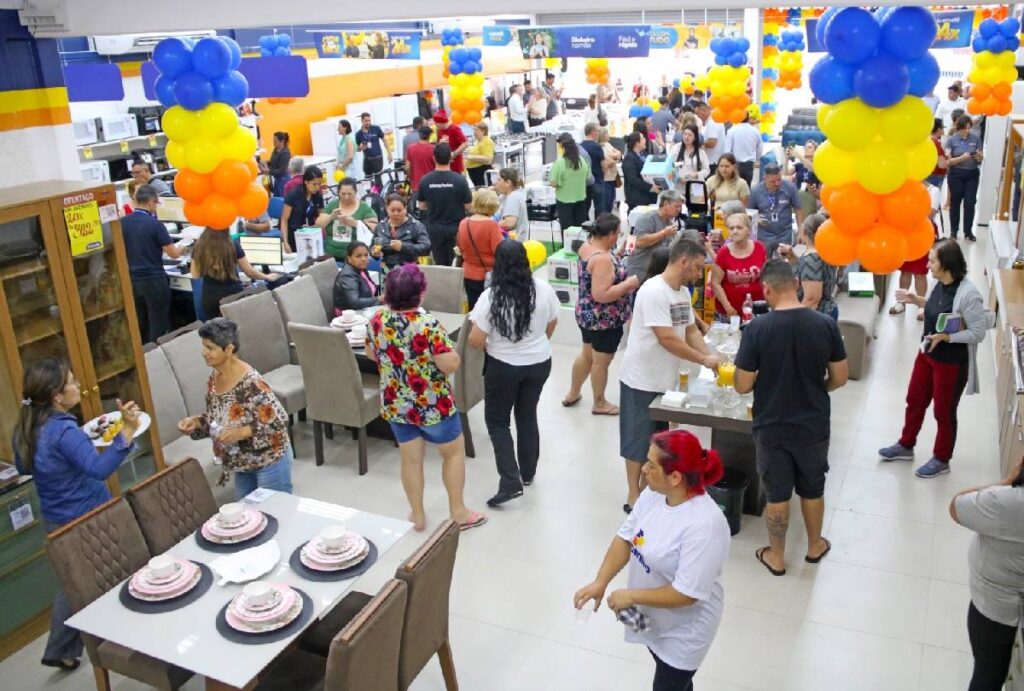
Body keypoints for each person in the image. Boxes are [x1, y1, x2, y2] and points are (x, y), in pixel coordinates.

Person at [574, 429, 729, 691]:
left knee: (669, 684)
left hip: (685, 631)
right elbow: (625, 538)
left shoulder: (704, 525)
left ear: (676, 477)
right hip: (654, 616)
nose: (643, 469)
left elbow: (687, 593)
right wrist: (600, 581)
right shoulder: (654, 495)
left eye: (651, 465)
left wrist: (632, 596)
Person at [13, 359, 142, 672]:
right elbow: (98, 469)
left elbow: (23, 468)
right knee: (116, 569)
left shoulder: (26, 428)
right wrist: (126, 429)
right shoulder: (63, 432)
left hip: (57, 518)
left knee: (75, 583)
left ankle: (61, 647)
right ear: (57, 396)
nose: (78, 385)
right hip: (87, 516)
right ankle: (128, 635)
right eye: (71, 381)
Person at [734, 260, 848, 576]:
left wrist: (764, 380)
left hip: (771, 425)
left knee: (778, 492)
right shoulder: (825, 324)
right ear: (796, 283)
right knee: (813, 486)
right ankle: (814, 546)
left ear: (766, 289)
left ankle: (777, 556)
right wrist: (817, 387)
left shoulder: (756, 329)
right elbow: (840, 376)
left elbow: (742, 385)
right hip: (813, 423)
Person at [366, 264, 487, 532]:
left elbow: (372, 354)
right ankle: (458, 511)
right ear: (420, 294)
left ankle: (418, 514)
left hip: (397, 402)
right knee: (453, 454)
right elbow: (449, 364)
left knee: (410, 459)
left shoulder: (376, 320)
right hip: (433, 405)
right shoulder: (427, 325)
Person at [619, 238, 718, 511]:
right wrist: (702, 358)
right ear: (683, 261)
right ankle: (632, 494)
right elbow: (666, 338)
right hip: (641, 377)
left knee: (658, 439)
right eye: (697, 267)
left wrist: (712, 358)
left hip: (666, 379)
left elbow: (690, 331)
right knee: (636, 439)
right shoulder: (654, 291)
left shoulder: (682, 293)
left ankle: (648, 487)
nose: (699, 274)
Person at [878, 240, 989, 478]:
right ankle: (906, 445)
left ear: (946, 265)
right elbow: (938, 309)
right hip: (926, 353)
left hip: (951, 363)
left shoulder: (969, 294)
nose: (927, 265)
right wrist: (916, 300)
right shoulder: (939, 283)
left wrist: (948, 337)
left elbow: (978, 332)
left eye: (932, 261)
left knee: (943, 412)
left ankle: (942, 458)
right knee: (915, 399)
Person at [468, 240, 559, 506]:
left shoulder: (491, 296)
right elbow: (552, 322)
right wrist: (537, 344)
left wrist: (492, 344)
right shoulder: (542, 289)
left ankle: (510, 481)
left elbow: (475, 339)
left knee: (498, 422)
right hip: (540, 362)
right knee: (527, 414)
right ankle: (528, 474)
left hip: (503, 366)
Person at [177, 318, 293, 498]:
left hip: (269, 461)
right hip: (241, 463)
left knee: (274, 515)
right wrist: (198, 423)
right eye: (204, 347)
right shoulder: (215, 378)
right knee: (246, 518)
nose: (204, 353)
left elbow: (279, 421)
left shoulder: (251, 384)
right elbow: (219, 419)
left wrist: (242, 432)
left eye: (210, 348)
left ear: (229, 350)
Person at [949, 461, 1024, 691]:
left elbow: (956, 506)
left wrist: (1007, 482)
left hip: (996, 612)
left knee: (987, 675)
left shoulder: (1008, 503)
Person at [563, 214, 639, 415]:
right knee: (601, 362)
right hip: (604, 319)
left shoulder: (586, 246)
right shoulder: (603, 259)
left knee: (587, 355)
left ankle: (573, 392)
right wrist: (628, 284)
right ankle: (599, 402)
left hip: (585, 314)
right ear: (611, 234)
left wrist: (619, 255)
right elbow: (601, 294)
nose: (619, 238)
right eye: (618, 234)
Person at [122, 184, 182, 343]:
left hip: (133, 280)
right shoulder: (155, 225)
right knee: (158, 321)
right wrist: (183, 247)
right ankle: (157, 356)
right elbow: (173, 254)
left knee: (141, 321)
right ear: (150, 202)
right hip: (154, 280)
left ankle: (144, 356)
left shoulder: (123, 222)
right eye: (156, 203)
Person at [191, 228, 279, 319]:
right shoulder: (232, 244)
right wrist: (267, 277)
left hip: (209, 296)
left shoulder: (199, 246)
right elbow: (249, 272)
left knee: (216, 330)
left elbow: (195, 274)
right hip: (232, 295)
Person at [417, 143, 473, 266]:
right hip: (457, 229)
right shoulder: (460, 180)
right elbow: (469, 206)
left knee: (441, 265)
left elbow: (421, 206)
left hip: (435, 229)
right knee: (457, 264)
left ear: (434, 158)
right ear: (451, 158)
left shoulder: (425, 180)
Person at [780, 213, 839, 319]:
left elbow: (812, 300)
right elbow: (807, 273)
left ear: (804, 232)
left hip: (817, 317)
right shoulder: (823, 252)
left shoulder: (812, 259)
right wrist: (792, 257)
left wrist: (793, 321)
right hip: (825, 313)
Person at [711, 212, 766, 320]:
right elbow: (715, 283)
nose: (735, 231)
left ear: (749, 231)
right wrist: (728, 308)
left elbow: (765, 277)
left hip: (756, 311)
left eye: (739, 227)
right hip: (730, 313)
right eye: (731, 228)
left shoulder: (759, 248)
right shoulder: (723, 253)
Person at [456, 189, 504, 309]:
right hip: (488, 275)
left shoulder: (464, 223)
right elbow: (500, 252)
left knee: (474, 310)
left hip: (468, 273)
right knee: (489, 311)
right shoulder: (491, 225)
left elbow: (460, 248)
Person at [747, 163, 803, 258]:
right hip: (764, 234)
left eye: (779, 179)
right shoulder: (756, 191)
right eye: (773, 181)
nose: (777, 183)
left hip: (784, 233)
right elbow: (750, 213)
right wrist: (757, 220)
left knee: (784, 263)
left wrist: (801, 230)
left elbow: (798, 209)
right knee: (764, 263)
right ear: (765, 178)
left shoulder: (790, 187)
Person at [317, 177, 378, 261]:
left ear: (355, 192)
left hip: (355, 258)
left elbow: (375, 227)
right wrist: (331, 217)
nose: (346, 197)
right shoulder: (332, 206)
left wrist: (355, 223)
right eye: (343, 194)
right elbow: (318, 225)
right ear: (338, 193)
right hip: (330, 256)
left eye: (349, 194)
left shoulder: (364, 207)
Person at [627, 190, 685, 278]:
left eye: (680, 207)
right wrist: (663, 234)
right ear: (666, 204)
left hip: (657, 273)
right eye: (676, 206)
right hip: (640, 271)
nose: (679, 210)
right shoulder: (647, 219)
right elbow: (639, 242)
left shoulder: (670, 224)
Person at [946, 114, 983, 241]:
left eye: (969, 128)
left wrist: (978, 157)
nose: (967, 131)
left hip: (972, 174)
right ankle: (953, 231)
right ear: (959, 128)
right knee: (955, 202)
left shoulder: (976, 139)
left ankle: (968, 231)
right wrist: (962, 158)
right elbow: (948, 161)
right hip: (956, 174)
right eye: (964, 129)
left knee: (970, 203)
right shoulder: (951, 140)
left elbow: (980, 158)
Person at [372, 193, 431, 269]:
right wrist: (374, 253)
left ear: (405, 208)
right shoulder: (380, 226)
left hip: (409, 269)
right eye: (392, 210)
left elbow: (426, 248)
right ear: (386, 209)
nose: (396, 213)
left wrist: (403, 247)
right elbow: (372, 246)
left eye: (399, 210)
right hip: (385, 269)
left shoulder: (416, 226)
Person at [549, 135, 590, 232]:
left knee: (567, 229)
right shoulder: (582, 161)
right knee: (580, 228)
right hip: (580, 199)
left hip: (564, 201)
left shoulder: (559, 163)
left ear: (562, 147)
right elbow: (588, 177)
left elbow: (553, 183)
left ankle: (567, 247)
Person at [280, 165, 325, 253]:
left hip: (310, 235)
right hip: (293, 236)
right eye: (314, 184)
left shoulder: (318, 196)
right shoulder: (293, 195)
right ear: (306, 182)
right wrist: (285, 242)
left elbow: (321, 217)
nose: (317, 187)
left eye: (319, 184)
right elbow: (284, 220)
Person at [332, 241, 379, 313]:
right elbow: (354, 302)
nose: (364, 259)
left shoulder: (361, 269)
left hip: (364, 309)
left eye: (366, 255)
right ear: (349, 259)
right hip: (349, 316)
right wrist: (379, 299)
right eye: (358, 256)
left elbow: (371, 289)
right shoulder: (347, 275)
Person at [623, 132, 659, 213]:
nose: (645, 140)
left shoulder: (644, 154)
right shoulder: (629, 158)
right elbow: (633, 179)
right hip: (637, 199)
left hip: (649, 197)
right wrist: (650, 187)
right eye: (643, 138)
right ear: (637, 143)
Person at [668, 124, 710, 190]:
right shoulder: (675, 149)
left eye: (690, 135)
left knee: (696, 200)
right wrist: (678, 177)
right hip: (678, 187)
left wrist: (696, 174)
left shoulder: (700, 152)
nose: (686, 137)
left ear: (695, 137)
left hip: (696, 187)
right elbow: (669, 166)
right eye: (685, 134)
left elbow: (706, 170)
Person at [724, 114, 762, 186]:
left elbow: (727, 150)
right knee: (747, 188)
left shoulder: (732, 131)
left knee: (734, 188)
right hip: (749, 164)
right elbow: (759, 148)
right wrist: (756, 159)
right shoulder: (755, 131)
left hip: (735, 165)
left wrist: (727, 164)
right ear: (748, 118)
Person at [580, 123, 607, 219]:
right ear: (592, 132)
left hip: (584, 182)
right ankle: (599, 228)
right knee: (599, 208)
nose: (599, 133)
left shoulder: (580, 146)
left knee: (585, 208)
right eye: (598, 131)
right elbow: (604, 165)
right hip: (597, 181)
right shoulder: (597, 147)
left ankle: (585, 226)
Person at [355, 112, 389, 186]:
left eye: (369, 120)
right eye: (366, 121)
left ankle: (379, 196)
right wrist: (361, 147)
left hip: (378, 158)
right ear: (362, 121)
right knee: (367, 180)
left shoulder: (376, 128)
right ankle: (370, 195)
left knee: (378, 179)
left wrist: (389, 154)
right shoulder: (358, 134)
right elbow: (357, 149)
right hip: (367, 159)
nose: (368, 122)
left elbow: (385, 140)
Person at [495, 167, 529, 239]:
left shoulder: (513, 197)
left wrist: (489, 225)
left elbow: (509, 223)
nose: (496, 183)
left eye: (499, 180)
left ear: (508, 183)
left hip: (513, 244)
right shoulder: (505, 196)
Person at [432, 110, 468, 174]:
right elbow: (437, 145)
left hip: (456, 165)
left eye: (436, 124)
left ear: (440, 123)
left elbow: (465, 143)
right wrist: (439, 144)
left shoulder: (455, 129)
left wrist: (454, 154)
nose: (435, 126)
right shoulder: (439, 130)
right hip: (444, 166)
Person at [695, 102, 725, 176]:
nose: (698, 117)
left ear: (703, 111)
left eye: (698, 114)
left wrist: (697, 144)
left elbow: (712, 143)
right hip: (712, 160)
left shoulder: (713, 122)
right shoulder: (711, 121)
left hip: (712, 161)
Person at [260, 131, 291, 197]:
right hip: (277, 180)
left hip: (283, 180)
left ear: (282, 142)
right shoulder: (275, 150)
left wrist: (269, 171)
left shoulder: (285, 154)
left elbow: (282, 171)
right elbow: (272, 163)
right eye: (273, 140)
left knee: (283, 201)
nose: (273, 143)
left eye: (275, 141)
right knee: (276, 199)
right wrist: (266, 162)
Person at [405, 126, 436, 193]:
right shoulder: (433, 149)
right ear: (429, 135)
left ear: (419, 134)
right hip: (431, 185)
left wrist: (411, 178)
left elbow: (407, 168)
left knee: (417, 203)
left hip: (416, 186)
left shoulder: (410, 148)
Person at [598, 128, 622, 215]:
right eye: (607, 133)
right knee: (606, 203)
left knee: (611, 201)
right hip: (605, 179)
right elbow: (610, 162)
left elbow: (618, 153)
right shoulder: (600, 147)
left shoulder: (608, 145)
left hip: (612, 178)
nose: (609, 135)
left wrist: (615, 157)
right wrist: (616, 158)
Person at [465, 122, 495, 188]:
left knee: (484, 192)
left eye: (476, 130)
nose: (474, 132)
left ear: (483, 131)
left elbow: (488, 159)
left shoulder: (487, 141)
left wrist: (471, 157)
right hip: (474, 172)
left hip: (481, 171)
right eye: (473, 130)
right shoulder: (478, 141)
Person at [926, 118, 949, 190]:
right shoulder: (936, 142)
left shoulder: (926, 140)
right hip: (936, 175)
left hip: (927, 174)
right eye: (942, 128)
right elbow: (941, 164)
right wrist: (950, 160)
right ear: (938, 129)